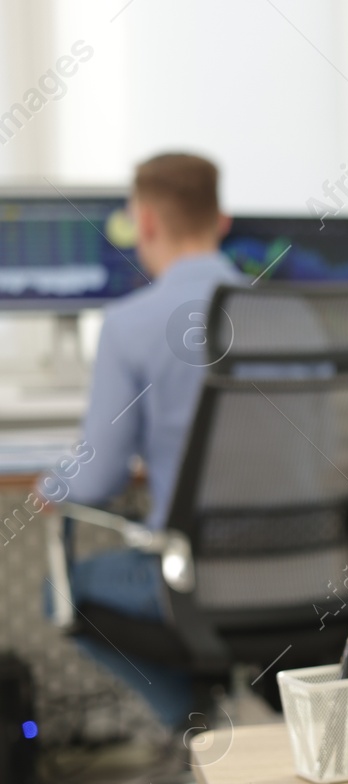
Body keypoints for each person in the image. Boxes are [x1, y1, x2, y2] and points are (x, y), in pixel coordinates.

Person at [45, 152, 244, 729]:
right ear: (222, 221)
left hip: (190, 577)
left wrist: (52, 482)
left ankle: (199, 739)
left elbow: (100, 479)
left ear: (147, 222)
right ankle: (221, 759)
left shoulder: (131, 323)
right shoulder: (291, 316)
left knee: (63, 593)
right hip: (303, 571)